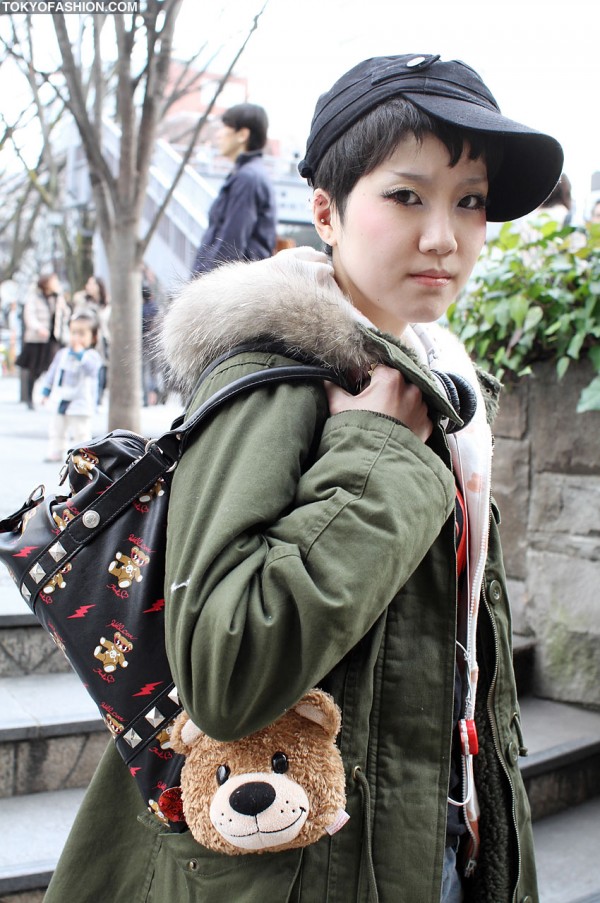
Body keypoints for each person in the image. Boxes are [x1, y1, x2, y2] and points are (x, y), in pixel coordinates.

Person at [45, 54, 563, 903]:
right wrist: (374, 465)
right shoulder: (286, 376)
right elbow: (225, 669)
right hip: (306, 862)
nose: (445, 235)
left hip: (432, 835)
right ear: (325, 209)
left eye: (468, 200)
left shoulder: (429, 378)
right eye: (407, 195)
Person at [191, 103, 277, 275]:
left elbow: (230, 245)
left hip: (229, 291)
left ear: (243, 134)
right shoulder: (247, 175)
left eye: (225, 127)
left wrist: (204, 291)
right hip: (234, 288)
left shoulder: (247, 178)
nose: (219, 134)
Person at [39, 311, 102, 461]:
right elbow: (52, 373)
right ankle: (56, 450)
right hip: (61, 399)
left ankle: (83, 455)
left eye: (81, 334)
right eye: (73, 333)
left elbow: (92, 369)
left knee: (81, 430)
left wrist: (80, 354)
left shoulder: (92, 356)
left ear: (93, 337)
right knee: (57, 427)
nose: (76, 338)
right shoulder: (63, 354)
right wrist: (46, 391)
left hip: (81, 402)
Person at [16, 272, 71, 408]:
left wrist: (60, 299)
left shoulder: (57, 297)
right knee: (34, 370)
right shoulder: (34, 297)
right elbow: (29, 315)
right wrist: (38, 328)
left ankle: (49, 396)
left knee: (55, 367)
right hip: (37, 339)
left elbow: (66, 313)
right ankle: (29, 398)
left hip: (53, 338)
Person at [72, 274, 111, 402]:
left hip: (102, 340)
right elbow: (77, 319)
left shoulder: (106, 303)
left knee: (102, 368)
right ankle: (89, 397)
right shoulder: (83, 302)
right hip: (86, 339)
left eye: (91, 284)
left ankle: (98, 397)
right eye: (88, 284)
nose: (88, 286)